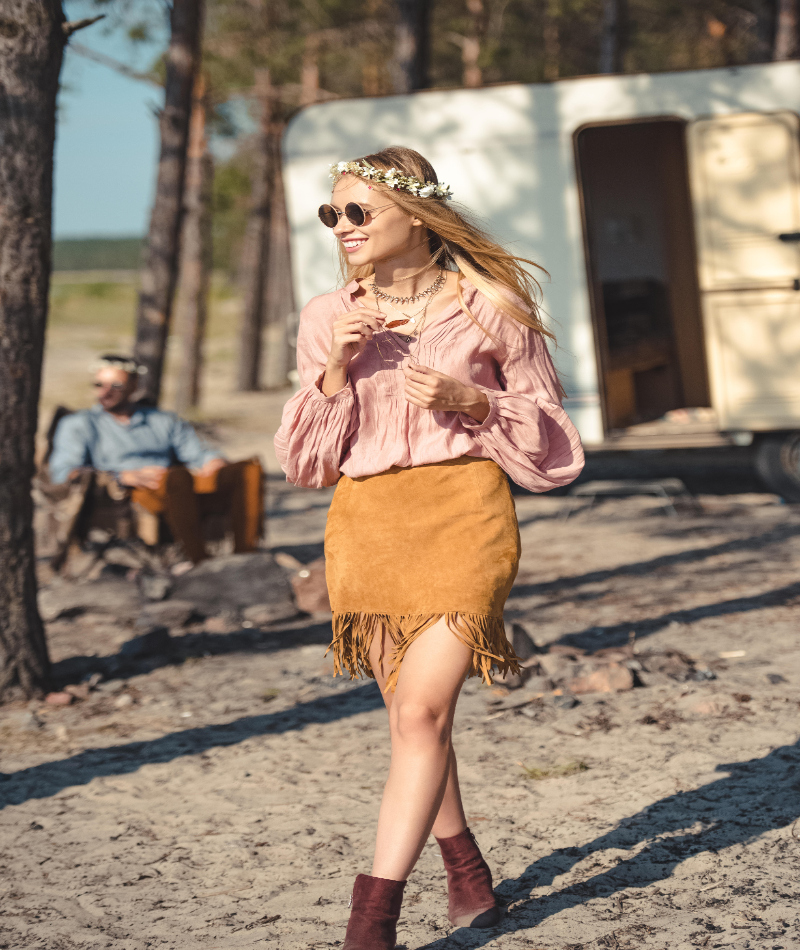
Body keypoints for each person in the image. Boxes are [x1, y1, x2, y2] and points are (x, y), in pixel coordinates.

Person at [274, 147, 584, 948]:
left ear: (416, 214)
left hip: (464, 514)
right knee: (414, 724)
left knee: (421, 710)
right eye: (331, 213)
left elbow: (553, 441)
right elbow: (305, 465)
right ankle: (465, 867)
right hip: (367, 522)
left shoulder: (491, 304)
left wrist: (472, 401)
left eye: (358, 212)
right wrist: (337, 366)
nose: (341, 227)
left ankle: (369, 925)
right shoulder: (322, 316)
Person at [49, 354, 263, 564]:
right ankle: (198, 559)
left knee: (248, 469)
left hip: (178, 483)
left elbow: (198, 453)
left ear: (134, 386)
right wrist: (120, 476)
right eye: (99, 385)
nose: (105, 392)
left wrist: (212, 460)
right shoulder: (80, 424)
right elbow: (63, 472)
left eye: (116, 385)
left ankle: (246, 554)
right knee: (177, 477)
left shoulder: (162, 420)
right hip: (129, 491)